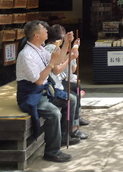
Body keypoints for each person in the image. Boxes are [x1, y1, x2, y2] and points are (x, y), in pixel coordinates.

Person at [16, 20, 80, 164]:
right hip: (30, 95)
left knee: (71, 99)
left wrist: (65, 44)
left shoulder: (40, 49)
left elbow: (60, 60)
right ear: (36, 35)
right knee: (54, 113)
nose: (47, 30)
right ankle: (52, 151)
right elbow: (38, 80)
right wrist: (51, 62)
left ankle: (64, 135)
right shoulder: (26, 54)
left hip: (44, 91)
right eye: (43, 29)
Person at [43, 24, 89, 140]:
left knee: (76, 89)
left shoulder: (54, 48)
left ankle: (75, 120)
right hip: (53, 83)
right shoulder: (51, 49)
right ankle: (71, 128)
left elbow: (64, 62)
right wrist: (71, 56)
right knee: (72, 97)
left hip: (56, 81)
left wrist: (73, 50)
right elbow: (57, 69)